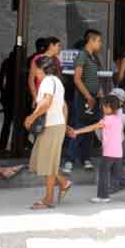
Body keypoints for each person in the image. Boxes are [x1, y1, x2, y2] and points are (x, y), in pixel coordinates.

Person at [68, 95, 125, 204]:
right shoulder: (119, 117)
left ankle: (103, 196)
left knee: (103, 173)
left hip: (109, 152)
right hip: (118, 151)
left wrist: (77, 131)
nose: (103, 108)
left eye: (104, 106)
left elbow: (93, 127)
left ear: (109, 107)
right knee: (118, 173)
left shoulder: (108, 119)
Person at [25, 55, 71, 209]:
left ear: (41, 68)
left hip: (51, 126)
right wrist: (64, 124)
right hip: (55, 125)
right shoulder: (57, 81)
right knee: (44, 161)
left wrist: (31, 117)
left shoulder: (47, 82)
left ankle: (48, 199)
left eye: (35, 68)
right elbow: (63, 106)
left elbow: (46, 102)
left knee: (48, 163)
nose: (33, 71)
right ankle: (63, 183)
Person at [63, 30, 103, 174]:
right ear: (91, 40)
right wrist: (88, 96)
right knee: (79, 127)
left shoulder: (94, 57)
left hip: (94, 97)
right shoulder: (82, 55)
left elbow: (94, 77)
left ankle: (86, 158)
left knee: (90, 129)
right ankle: (69, 159)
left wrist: (98, 92)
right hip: (84, 98)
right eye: (99, 41)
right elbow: (77, 79)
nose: (100, 44)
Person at [0, 47, 18, 153]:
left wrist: (2, 91)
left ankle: (3, 145)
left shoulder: (7, 61)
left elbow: (1, 78)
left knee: (7, 122)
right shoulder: (16, 61)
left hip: (8, 94)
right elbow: (1, 78)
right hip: (13, 94)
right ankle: (13, 145)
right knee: (13, 122)